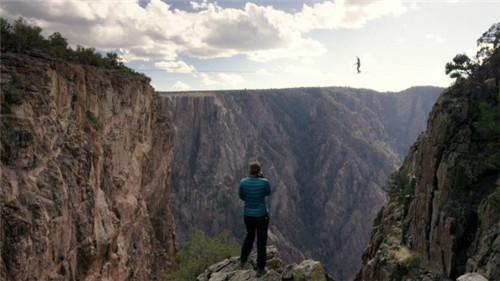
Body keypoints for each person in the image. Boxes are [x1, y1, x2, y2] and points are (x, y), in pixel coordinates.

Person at [239, 161, 271, 277]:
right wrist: (262, 178)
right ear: (259, 171)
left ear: (249, 170)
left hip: (248, 216)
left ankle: (242, 260)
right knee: (261, 242)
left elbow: (242, 196)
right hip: (262, 216)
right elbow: (268, 192)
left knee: (249, 236)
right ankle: (260, 269)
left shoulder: (243, 182)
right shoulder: (264, 182)